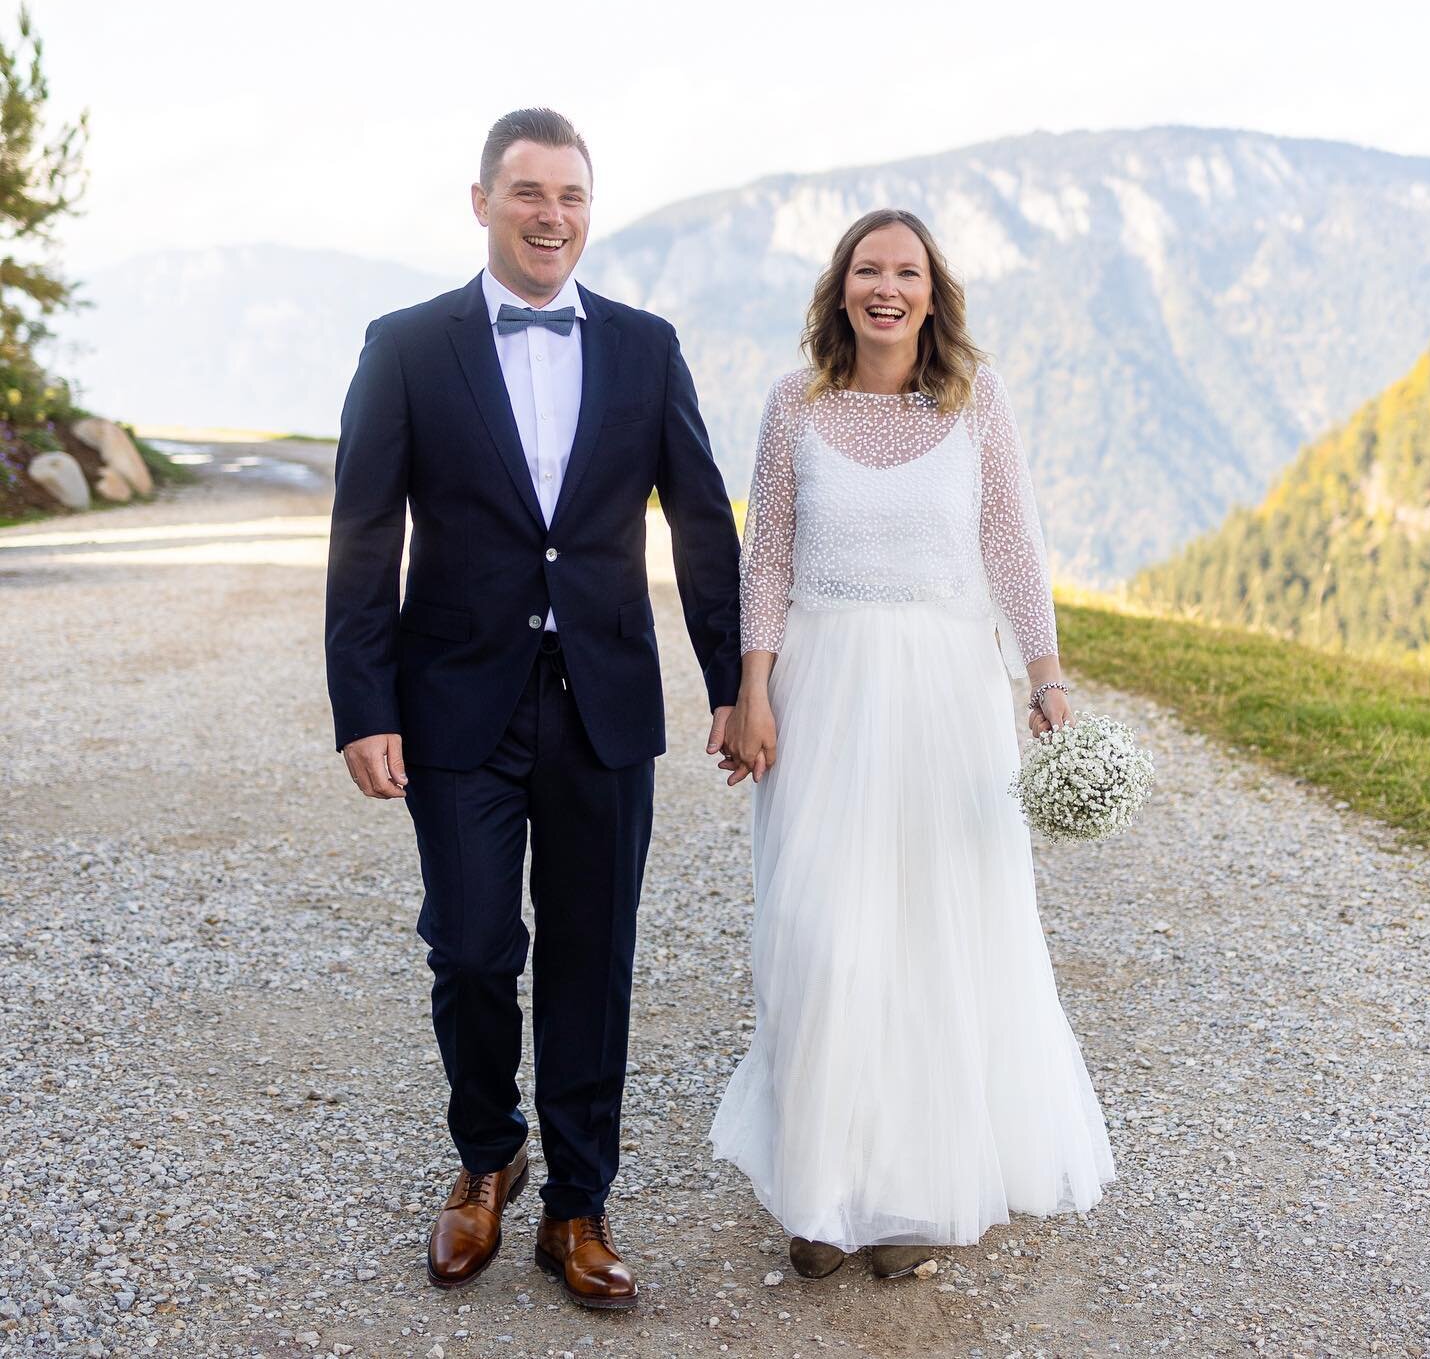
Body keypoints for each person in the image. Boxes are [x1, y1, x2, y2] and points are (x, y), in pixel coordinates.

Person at [325, 108, 741, 1308]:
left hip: (604, 701)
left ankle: (578, 1204)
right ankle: (487, 1150)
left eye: (570, 195)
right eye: (528, 194)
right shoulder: (406, 345)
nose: (551, 215)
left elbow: (702, 522)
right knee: (468, 948)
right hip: (456, 700)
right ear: (481, 201)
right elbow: (365, 535)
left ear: (588, 209)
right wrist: (363, 701)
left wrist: (729, 678)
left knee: (592, 956)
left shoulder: (647, 347)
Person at [710, 207, 1114, 1280]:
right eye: (867, 267)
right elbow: (768, 559)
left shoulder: (977, 404)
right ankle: (821, 1181)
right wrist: (752, 691)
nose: (886, 286)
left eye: (908, 271)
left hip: (945, 695)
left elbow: (1013, 544)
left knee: (934, 934)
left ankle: (918, 1195)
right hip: (824, 688)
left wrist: (1046, 676)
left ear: (934, 295)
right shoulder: (791, 403)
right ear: (840, 286)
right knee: (823, 934)